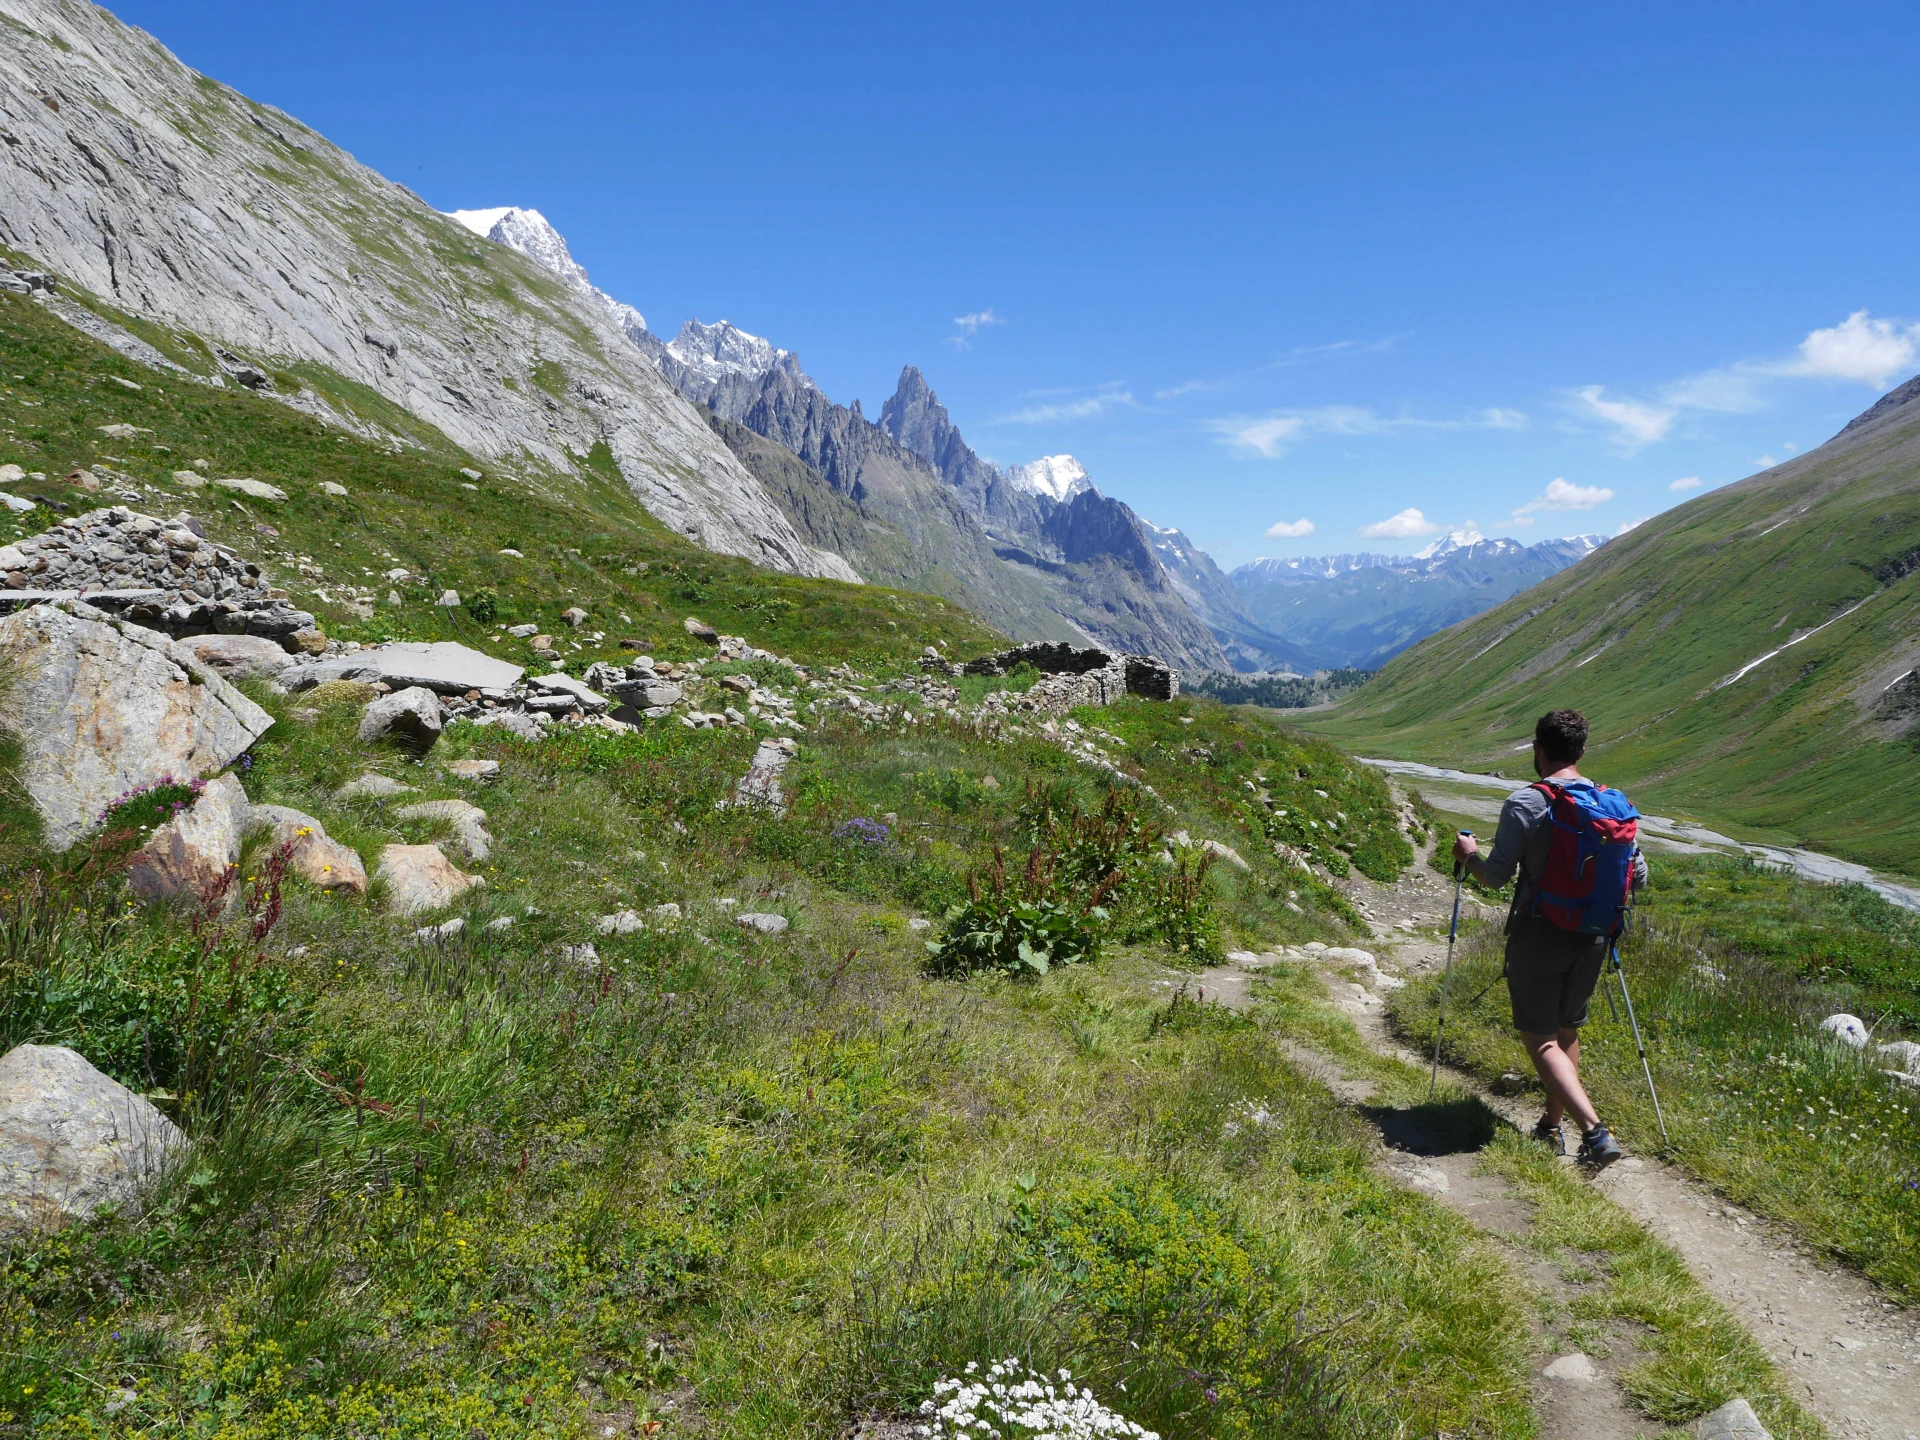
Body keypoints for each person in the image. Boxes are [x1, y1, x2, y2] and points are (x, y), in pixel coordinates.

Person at [1452, 708, 1645, 1168]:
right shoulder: (1613, 803)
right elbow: (1636, 877)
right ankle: (1550, 1127)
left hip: (1540, 932)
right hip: (1597, 935)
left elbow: (1496, 877)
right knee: (1566, 1030)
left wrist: (1470, 855)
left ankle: (1595, 1133)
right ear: (1581, 752)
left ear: (1537, 750)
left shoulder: (1526, 802)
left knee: (1540, 1040)